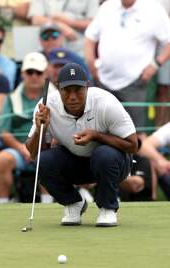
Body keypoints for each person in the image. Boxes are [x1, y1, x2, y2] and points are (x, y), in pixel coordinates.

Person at [28, 63, 137, 227]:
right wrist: (39, 130)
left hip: (113, 163)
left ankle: (107, 207)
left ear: (87, 86)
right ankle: (73, 203)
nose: (72, 97)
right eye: (67, 90)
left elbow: (133, 145)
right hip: (76, 163)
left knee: (104, 155)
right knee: (42, 162)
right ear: (58, 88)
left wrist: (96, 135)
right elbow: (33, 153)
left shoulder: (106, 103)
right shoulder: (46, 106)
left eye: (78, 90)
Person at [85, 0, 170, 132]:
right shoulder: (107, 7)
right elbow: (90, 36)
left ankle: (138, 158)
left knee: (134, 133)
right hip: (105, 80)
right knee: (101, 130)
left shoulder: (152, 8)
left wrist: (155, 64)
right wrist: (90, 62)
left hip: (135, 81)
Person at [0, 52, 50, 204]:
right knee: (3, 159)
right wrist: (22, 148)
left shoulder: (55, 97)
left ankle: (47, 204)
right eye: (30, 72)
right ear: (23, 73)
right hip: (19, 150)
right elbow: (4, 132)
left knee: (48, 159)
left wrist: (38, 149)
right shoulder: (12, 98)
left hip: (46, 147)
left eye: (38, 72)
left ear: (46, 73)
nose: (34, 76)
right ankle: (2, 204)